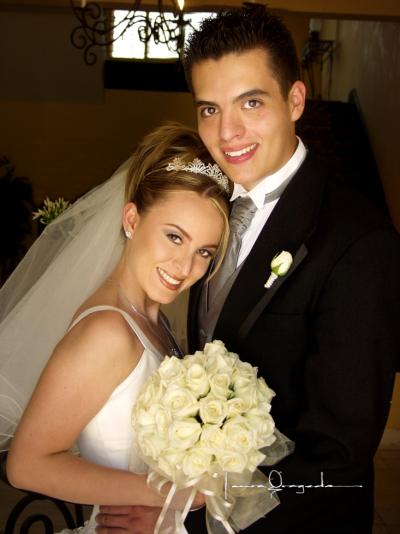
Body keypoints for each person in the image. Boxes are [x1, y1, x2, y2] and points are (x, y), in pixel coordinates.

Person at [97, 5, 400, 534]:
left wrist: (184, 518)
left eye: (251, 102)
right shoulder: (208, 206)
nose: (227, 132)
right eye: (209, 109)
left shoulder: (359, 242)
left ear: (296, 100)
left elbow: (338, 457)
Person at [0, 122, 231, 533]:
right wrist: (167, 494)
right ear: (131, 219)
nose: (185, 268)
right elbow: (26, 465)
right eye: (174, 237)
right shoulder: (108, 332)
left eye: (203, 252)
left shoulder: (153, 320)